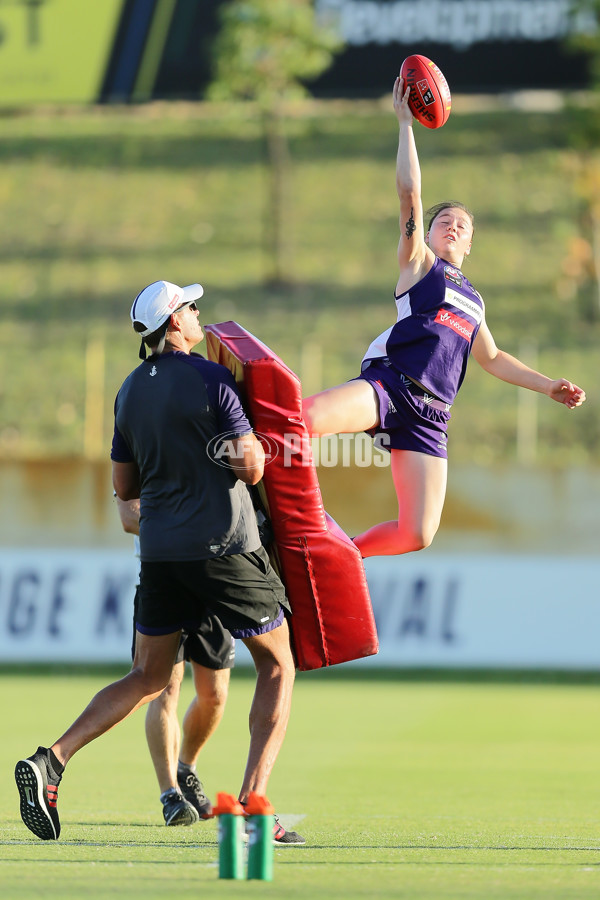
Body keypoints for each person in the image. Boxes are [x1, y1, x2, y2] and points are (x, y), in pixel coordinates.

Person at [16, 279, 303, 845]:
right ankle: (251, 810)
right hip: (223, 545)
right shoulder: (211, 378)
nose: (200, 315)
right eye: (192, 308)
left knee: (147, 676)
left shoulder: (127, 391)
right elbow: (250, 468)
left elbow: (126, 492)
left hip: (161, 551)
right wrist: (261, 450)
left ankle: (53, 758)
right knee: (277, 665)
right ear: (174, 323)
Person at [302, 75, 586, 559]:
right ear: (428, 235)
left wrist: (548, 386)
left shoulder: (474, 300)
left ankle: (342, 557)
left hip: (431, 418)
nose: (453, 226)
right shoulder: (419, 266)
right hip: (391, 388)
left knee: (417, 533)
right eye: (444, 222)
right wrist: (405, 126)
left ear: (470, 244)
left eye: (463, 225)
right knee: (302, 420)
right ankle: (261, 496)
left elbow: (493, 358)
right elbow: (409, 195)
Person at [117, 496, 233, 827]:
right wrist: (186, 535)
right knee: (164, 688)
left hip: (213, 577)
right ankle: (170, 795)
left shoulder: (207, 443)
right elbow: (128, 516)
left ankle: (186, 768)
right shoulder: (138, 446)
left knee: (215, 695)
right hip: (162, 577)